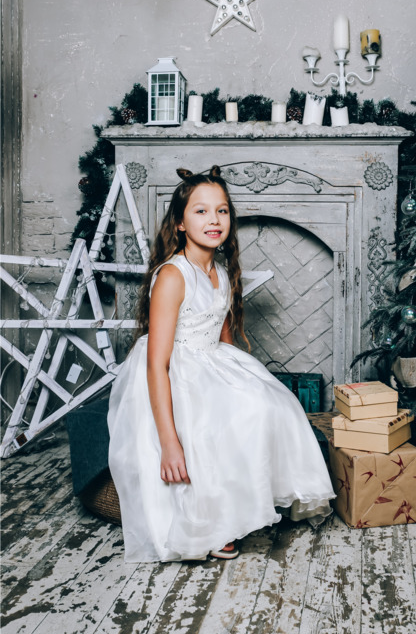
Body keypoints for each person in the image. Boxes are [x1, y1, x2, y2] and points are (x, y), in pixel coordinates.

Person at [108, 165, 335, 562]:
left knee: (267, 405)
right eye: (201, 211)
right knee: (208, 423)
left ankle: (245, 501)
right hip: (172, 372)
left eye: (222, 211)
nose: (214, 220)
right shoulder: (173, 276)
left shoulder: (222, 272)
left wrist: (244, 384)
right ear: (180, 223)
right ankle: (210, 521)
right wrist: (169, 443)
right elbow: (157, 364)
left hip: (211, 361)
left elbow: (223, 340)